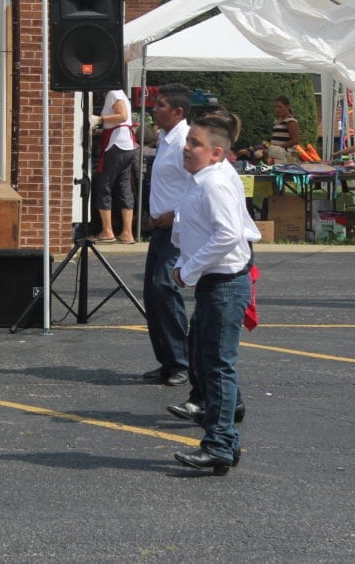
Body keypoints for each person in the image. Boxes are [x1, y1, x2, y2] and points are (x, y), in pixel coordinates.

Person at [170, 112, 260, 476]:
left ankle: (219, 444)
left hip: (224, 284)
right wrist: (185, 263)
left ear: (217, 153)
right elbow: (194, 231)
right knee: (207, 361)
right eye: (188, 141)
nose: (186, 148)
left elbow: (228, 235)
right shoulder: (203, 179)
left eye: (195, 144)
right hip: (214, 283)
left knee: (218, 366)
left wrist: (188, 270)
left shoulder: (214, 184)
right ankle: (226, 442)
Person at [142, 83, 192, 387]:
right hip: (160, 229)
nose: (154, 109)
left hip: (176, 230)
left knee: (164, 287)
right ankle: (167, 360)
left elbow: (196, 185)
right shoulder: (165, 139)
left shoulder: (185, 142)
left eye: (161, 105)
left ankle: (181, 362)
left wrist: (174, 215)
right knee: (152, 292)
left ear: (178, 111)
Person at [90, 89, 136, 243]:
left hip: (115, 144)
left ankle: (107, 231)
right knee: (124, 187)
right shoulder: (122, 95)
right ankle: (127, 232)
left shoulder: (113, 94)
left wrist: (99, 119)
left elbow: (122, 116)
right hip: (128, 145)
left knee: (104, 185)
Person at [268, 95, 300, 162]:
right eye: (275, 107)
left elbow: (296, 140)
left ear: (287, 106)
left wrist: (279, 147)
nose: (277, 109)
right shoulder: (277, 121)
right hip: (275, 154)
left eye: (280, 107)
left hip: (286, 156)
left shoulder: (290, 121)